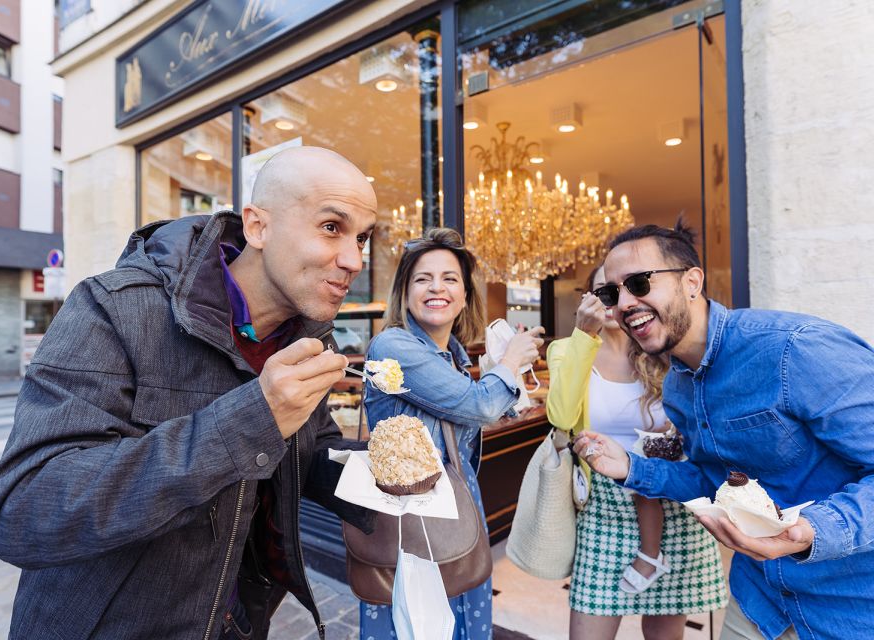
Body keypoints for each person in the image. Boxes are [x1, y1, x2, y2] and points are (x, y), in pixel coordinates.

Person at [0, 146, 378, 640]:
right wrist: (252, 419)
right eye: (331, 228)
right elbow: (21, 509)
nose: (354, 259)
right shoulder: (114, 309)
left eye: (362, 237)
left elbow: (309, 449)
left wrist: (381, 473)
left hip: (239, 620)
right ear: (257, 227)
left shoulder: (309, 334)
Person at [574, 220, 874, 640]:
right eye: (611, 292)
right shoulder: (678, 386)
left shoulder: (794, 349)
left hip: (851, 607)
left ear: (692, 281)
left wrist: (810, 531)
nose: (623, 303)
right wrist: (629, 467)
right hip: (760, 601)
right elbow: (714, 480)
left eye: (639, 283)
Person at [358, 227, 544, 640]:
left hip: (457, 509)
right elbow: (479, 405)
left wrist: (501, 375)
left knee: (461, 617)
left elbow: (480, 410)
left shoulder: (455, 358)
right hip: (412, 520)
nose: (436, 288)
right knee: (417, 625)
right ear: (405, 292)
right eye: (422, 278)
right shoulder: (394, 345)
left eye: (450, 279)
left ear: (464, 297)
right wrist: (511, 363)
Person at [547, 264, 726, 640]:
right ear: (588, 300)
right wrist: (584, 336)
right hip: (603, 509)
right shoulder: (567, 349)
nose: (617, 302)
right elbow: (561, 417)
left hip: (669, 504)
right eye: (605, 293)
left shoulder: (660, 346)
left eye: (627, 289)